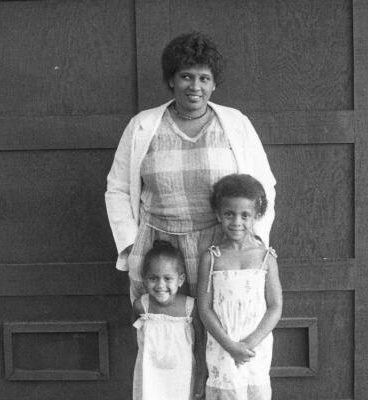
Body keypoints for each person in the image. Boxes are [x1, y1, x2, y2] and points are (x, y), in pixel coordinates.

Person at [106, 31, 277, 303]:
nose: (195, 86)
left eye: (204, 78)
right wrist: (131, 244)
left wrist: (251, 241)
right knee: (163, 334)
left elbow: (263, 186)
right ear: (171, 80)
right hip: (159, 252)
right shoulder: (142, 125)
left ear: (213, 84)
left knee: (222, 329)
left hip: (221, 246)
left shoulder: (236, 124)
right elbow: (117, 189)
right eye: (186, 76)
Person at [197, 174, 282, 400]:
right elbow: (204, 308)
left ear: (257, 216)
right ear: (218, 215)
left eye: (245, 215)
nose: (236, 222)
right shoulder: (211, 258)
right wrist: (230, 345)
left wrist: (249, 343)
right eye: (229, 214)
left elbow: (275, 306)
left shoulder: (266, 258)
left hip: (255, 347)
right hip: (223, 345)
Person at [132, 240, 205, 400]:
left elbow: (201, 343)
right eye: (153, 278)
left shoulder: (190, 307)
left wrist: (201, 374)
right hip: (151, 378)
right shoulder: (141, 306)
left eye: (167, 278)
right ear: (144, 279)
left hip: (182, 377)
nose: (160, 285)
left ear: (180, 279)